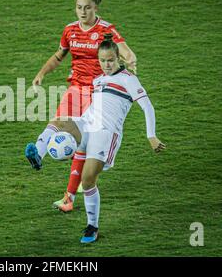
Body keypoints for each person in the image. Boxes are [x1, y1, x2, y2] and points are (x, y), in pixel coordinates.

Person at [25, 34, 166, 243]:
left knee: (88, 180)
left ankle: (92, 226)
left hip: (106, 134)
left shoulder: (129, 79)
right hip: (86, 123)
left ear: (118, 58)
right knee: (59, 121)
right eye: (102, 60)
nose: (106, 64)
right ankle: (38, 154)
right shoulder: (98, 79)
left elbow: (147, 106)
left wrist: (151, 136)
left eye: (110, 60)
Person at [27, 0, 137, 212]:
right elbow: (59, 56)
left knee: (81, 145)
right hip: (76, 88)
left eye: (87, 7)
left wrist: (130, 59)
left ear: (95, 8)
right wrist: (41, 74)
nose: (82, 12)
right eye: (79, 7)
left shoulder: (106, 30)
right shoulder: (70, 31)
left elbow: (125, 51)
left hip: (98, 92)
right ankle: (37, 153)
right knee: (56, 123)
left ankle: (69, 197)